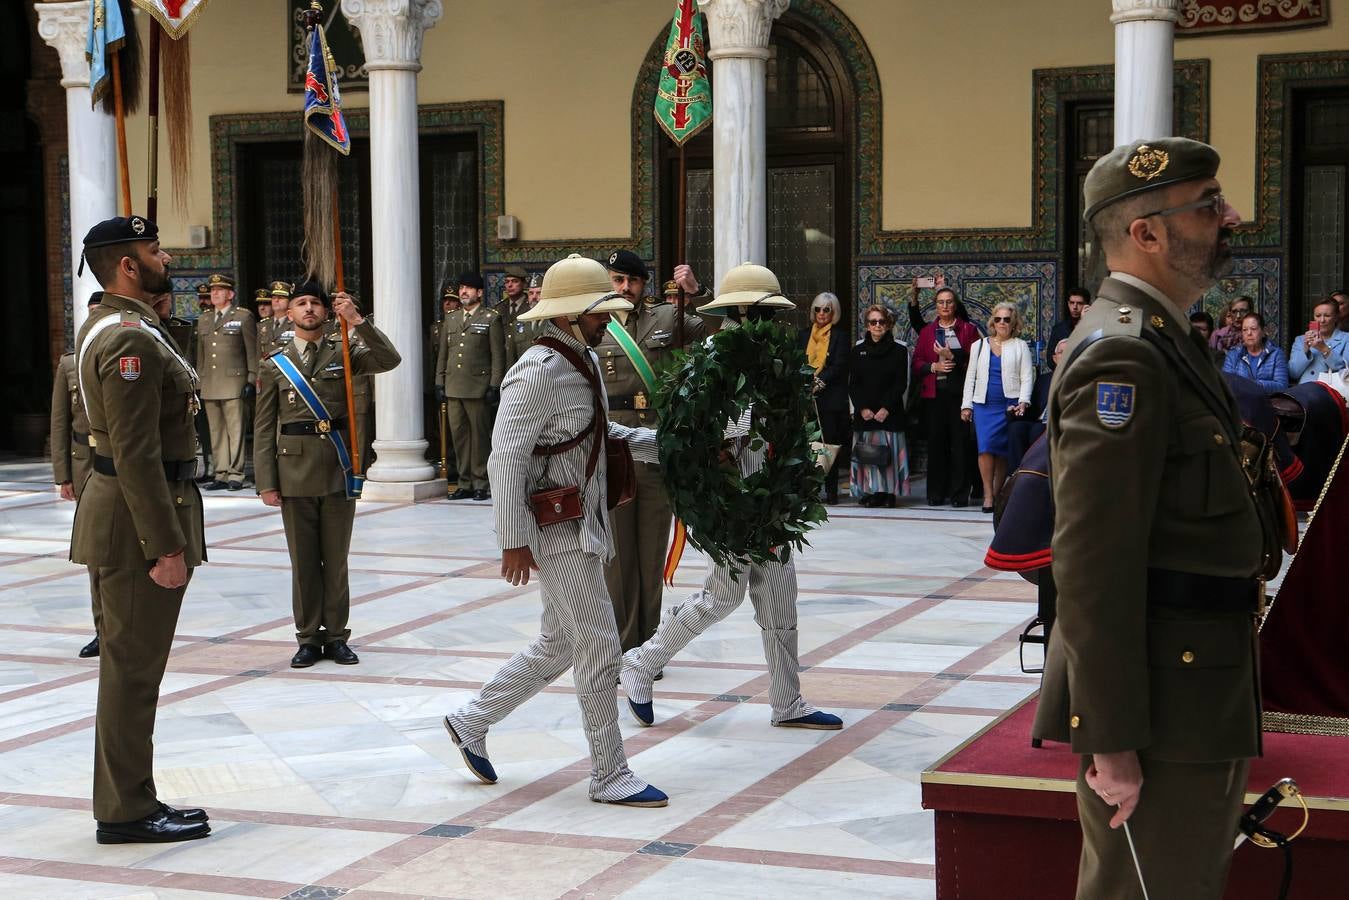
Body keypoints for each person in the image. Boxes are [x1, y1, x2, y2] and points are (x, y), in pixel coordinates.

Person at [1030, 138, 1272, 899]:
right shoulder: (1125, 356)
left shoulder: (1168, 338)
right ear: (1146, 233)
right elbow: (1093, 566)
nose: (1227, 216)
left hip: (1196, 685)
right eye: (1206, 206)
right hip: (1160, 705)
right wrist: (1111, 739)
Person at [442, 254, 668, 808]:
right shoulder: (538, 368)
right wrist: (511, 539)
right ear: (570, 315)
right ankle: (609, 774)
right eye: (599, 312)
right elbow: (505, 457)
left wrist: (664, 443)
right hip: (554, 524)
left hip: (582, 517)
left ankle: (473, 719)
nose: (608, 321)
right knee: (599, 642)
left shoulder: (581, 359)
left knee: (561, 641)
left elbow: (597, 430)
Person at [620, 262, 844, 734]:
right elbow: (690, 434)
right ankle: (641, 663)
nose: (773, 322)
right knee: (720, 599)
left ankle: (788, 701)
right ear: (745, 311)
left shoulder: (776, 361)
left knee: (781, 601)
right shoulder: (713, 358)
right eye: (764, 312)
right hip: (730, 499)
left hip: (772, 500)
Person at [72, 215, 210, 844]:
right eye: (154, 250)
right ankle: (127, 810)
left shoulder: (122, 325)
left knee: (130, 669)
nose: (166, 257)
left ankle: (129, 798)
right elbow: (135, 453)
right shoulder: (128, 339)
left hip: (126, 514)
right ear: (128, 265)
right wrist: (166, 546)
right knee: (133, 672)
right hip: (136, 525)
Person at [254, 281, 401, 668]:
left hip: (338, 468)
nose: (308, 309)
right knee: (304, 562)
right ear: (290, 313)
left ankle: (336, 636)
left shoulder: (346, 350)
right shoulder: (275, 363)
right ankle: (306, 637)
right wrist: (266, 482)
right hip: (293, 471)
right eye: (301, 303)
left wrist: (358, 321)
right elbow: (264, 427)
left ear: (326, 311)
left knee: (335, 560)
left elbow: (390, 359)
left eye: (315, 303)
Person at [596, 249, 706, 653]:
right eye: (617, 280)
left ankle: (647, 647)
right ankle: (624, 644)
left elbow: (718, 333)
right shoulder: (593, 323)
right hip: (613, 449)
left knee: (650, 552)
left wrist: (697, 293)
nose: (625, 289)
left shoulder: (667, 316)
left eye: (633, 281)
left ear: (645, 284)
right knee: (618, 557)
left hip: (657, 447)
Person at [52, 297, 104, 659]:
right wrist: (63, 475)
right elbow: (59, 422)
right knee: (96, 551)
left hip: (120, 459)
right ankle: (103, 629)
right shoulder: (69, 363)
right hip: (85, 463)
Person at [435, 272, 504, 500]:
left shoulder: (490, 318)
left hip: (478, 387)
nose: (464, 292)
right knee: (460, 437)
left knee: (480, 437)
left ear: (480, 293)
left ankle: (481, 482)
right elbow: (443, 355)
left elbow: (497, 355)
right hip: (454, 387)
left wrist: (494, 385)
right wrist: (439, 381)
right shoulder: (452, 319)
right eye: (462, 287)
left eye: (469, 288)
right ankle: (464, 482)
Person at [961, 302, 1034, 512]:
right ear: (993, 321)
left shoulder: (1020, 346)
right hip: (983, 404)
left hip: (1008, 404)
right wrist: (966, 405)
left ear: (1014, 323)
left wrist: (1023, 400)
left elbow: (1027, 377)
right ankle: (988, 495)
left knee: (1001, 451)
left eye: (1007, 319)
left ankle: (998, 490)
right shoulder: (979, 345)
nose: (1002, 323)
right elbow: (970, 378)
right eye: (998, 319)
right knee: (985, 448)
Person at [912, 287, 979, 506]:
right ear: (936, 305)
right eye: (940, 302)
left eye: (949, 302)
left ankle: (960, 495)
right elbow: (917, 362)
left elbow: (975, 362)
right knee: (936, 444)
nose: (945, 306)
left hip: (959, 395)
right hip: (934, 395)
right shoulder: (927, 332)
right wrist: (934, 366)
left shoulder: (968, 329)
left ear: (955, 304)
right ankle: (936, 493)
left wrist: (953, 357)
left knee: (960, 445)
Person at [196, 273, 258, 491]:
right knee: (216, 431)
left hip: (234, 382)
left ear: (230, 294)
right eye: (213, 290)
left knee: (235, 430)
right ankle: (220, 473)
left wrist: (252, 378)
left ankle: (236, 473)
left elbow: (252, 350)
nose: (214, 293)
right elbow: (201, 355)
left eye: (219, 290)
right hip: (211, 384)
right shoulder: (204, 319)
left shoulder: (243, 316)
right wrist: (198, 382)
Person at [848, 304, 909, 507]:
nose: (877, 325)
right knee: (868, 455)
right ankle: (871, 492)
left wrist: (886, 408)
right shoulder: (857, 351)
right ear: (867, 325)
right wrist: (862, 408)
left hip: (889, 414)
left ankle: (888, 493)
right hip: (865, 414)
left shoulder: (899, 351)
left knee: (889, 456)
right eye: (873, 322)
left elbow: (901, 383)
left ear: (888, 325)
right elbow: (854, 384)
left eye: (881, 322)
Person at [800, 291, 851, 504]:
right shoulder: (803, 335)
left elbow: (839, 365)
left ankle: (831, 490)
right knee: (807, 445)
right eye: (817, 309)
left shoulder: (840, 336)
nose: (821, 313)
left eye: (826, 310)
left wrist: (819, 382)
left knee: (829, 445)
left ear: (834, 312)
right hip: (806, 398)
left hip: (830, 398)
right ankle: (808, 489)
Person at [1007, 337, 1065, 473]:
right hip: (1040, 420)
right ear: (1055, 358)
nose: (1066, 355)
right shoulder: (1044, 379)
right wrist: (1017, 410)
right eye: (1062, 352)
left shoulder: (1077, 378)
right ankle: (1017, 474)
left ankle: (1035, 473)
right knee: (1016, 427)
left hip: (1061, 422)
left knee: (1037, 430)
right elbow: (1033, 409)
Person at [1222, 311, 1289, 392]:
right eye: (1245, 330)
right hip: (1240, 401)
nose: (1249, 333)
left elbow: (1281, 386)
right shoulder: (1233, 354)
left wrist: (1254, 385)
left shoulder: (1276, 354)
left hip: (1268, 402)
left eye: (1253, 329)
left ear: (1263, 332)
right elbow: (1226, 384)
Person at [1288, 297, 1348, 385]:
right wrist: (1305, 350)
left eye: (1327, 316)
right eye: (1318, 316)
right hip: (1305, 391)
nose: (1322, 320)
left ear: (1336, 317)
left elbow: (1345, 371)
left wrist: (1324, 349)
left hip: (1333, 392)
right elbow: (1293, 373)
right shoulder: (1300, 340)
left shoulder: (1346, 338)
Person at [503, 270, 547, 368]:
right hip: (523, 377)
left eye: (539, 293)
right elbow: (511, 357)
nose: (534, 297)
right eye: (531, 293)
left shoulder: (553, 321)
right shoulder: (519, 322)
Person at [1046, 287, 1090, 369]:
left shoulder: (1093, 328)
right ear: (1068, 304)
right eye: (1072, 303)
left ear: (1086, 305)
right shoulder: (1059, 329)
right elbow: (1050, 360)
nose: (1075, 307)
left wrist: (1083, 322)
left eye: (1079, 303)